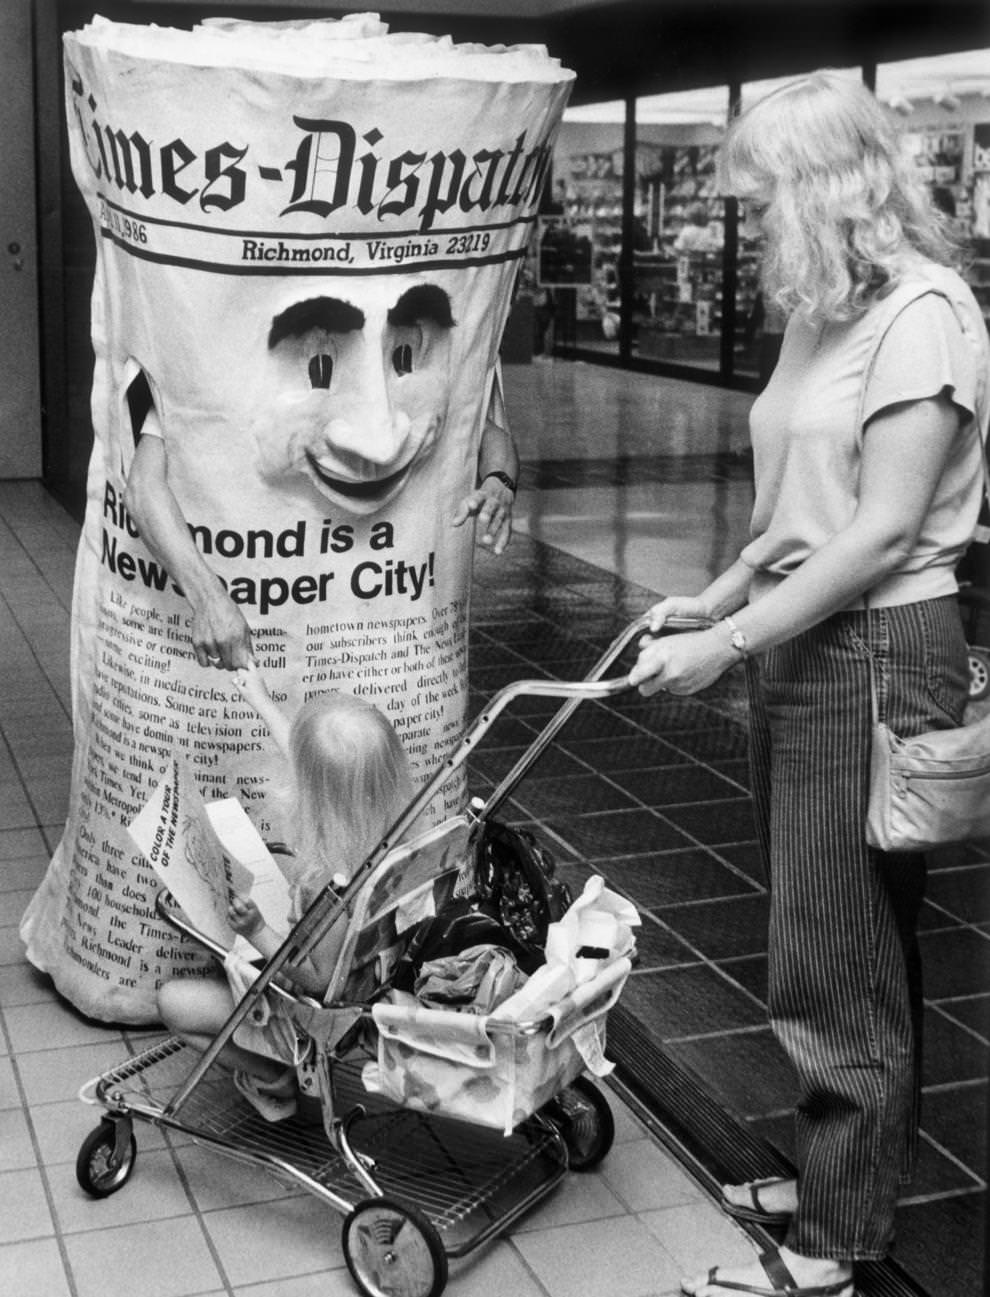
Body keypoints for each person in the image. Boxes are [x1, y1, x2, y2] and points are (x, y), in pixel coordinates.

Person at [628, 72, 989, 1297]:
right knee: (828, 929)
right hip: (801, 639)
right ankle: (840, 1176)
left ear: (830, 186)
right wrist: (721, 595)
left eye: (767, 192)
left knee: (835, 949)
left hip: (879, 653)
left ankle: (835, 1241)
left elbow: (882, 533)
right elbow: (796, 512)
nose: (750, 218)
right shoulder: (825, 312)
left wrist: (723, 650)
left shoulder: (925, 315)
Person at [157, 662, 415, 1120]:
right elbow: (304, 755)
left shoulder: (332, 884)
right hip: (371, 987)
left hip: (315, 1015)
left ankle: (274, 1075)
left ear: (314, 793)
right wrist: (257, 696)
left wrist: (257, 931)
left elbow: (315, 979)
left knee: (173, 1002)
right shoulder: (390, 833)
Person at [125, 372, 519, 671]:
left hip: (371, 634)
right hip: (261, 627)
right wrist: (209, 598)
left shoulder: (397, 377)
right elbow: (143, 486)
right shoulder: (216, 371)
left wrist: (499, 482)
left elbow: (485, 432)